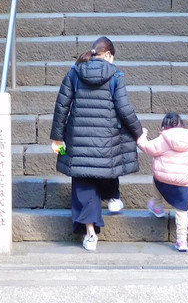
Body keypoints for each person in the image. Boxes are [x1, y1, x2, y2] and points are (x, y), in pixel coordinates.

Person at [50, 36, 143, 252]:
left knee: (83, 185)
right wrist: (139, 132)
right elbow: (124, 108)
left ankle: (91, 236)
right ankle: (113, 197)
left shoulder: (74, 72)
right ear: (109, 55)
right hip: (106, 140)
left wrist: (57, 136)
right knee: (107, 168)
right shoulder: (116, 75)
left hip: (78, 140)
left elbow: (61, 106)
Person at [137, 112, 188, 252]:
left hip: (165, 179)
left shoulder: (164, 139)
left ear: (164, 126)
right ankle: (181, 240)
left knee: (156, 178)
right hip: (185, 183)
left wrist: (141, 136)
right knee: (182, 211)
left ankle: (157, 206)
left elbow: (148, 148)